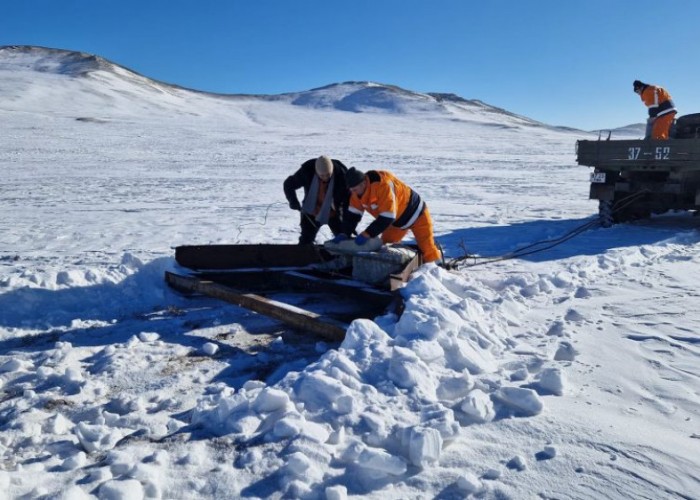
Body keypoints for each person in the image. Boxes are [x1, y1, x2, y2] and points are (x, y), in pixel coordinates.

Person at [334, 167, 441, 263]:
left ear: (363, 183)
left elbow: (387, 217)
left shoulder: (382, 185)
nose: (353, 192)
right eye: (351, 190)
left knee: (427, 248)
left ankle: (438, 270)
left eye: (355, 189)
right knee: (385, 248)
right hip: (396, 223)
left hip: (417, 215)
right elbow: (352, 216)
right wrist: (344, 233)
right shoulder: (357, 194)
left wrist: (367, 234)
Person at [283, 156, 350, 244]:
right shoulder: (307, 171)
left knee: (344, 240)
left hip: (334, 212)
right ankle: (306, 255)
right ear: (316, 171)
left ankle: (343, 256)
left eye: (328, 175)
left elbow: (348, 198)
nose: (325, 177)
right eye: (322, 175)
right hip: (312, 211)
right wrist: (293, 201)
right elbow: (288, 184)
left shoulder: (342, 176)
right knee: (306, 240)